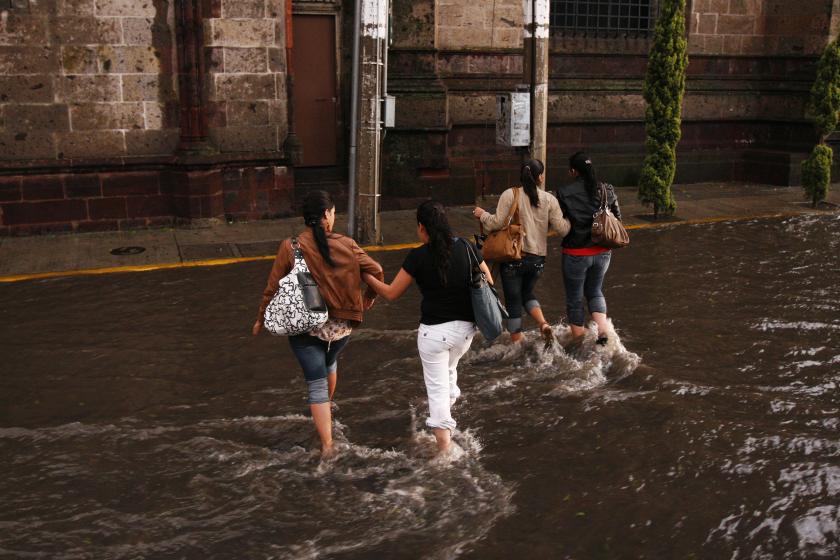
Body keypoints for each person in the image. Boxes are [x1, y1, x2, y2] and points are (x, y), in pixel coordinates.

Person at [252, 190, 384, 458]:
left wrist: (260, 319)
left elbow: (272, 287)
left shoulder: (290, 246)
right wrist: (368, 299)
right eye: (334, 212)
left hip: (305, 326)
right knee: (330, 363)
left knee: (316, 384)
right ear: (326, 215)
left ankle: (326, 445)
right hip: (341, 329)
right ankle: (326, 407)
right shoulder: (347, 244)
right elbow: (376, 270)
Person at [362, 201, 493, 455]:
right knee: (449, 370)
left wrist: (366, 277)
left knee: (436, 389)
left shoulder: (418, 257)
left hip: (434, 334)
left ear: (422, 227)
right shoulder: (466, 247)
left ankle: (445, 448)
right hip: (465, 333)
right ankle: (448, 405)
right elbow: (488, 280)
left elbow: (391, 293)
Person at [472, 159, 570, 346]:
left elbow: (496, 223)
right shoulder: (550, 200)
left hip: (513, 258)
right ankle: (543, 324)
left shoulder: (510, 194)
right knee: (527, 293)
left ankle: (517, 343)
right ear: (540, 177)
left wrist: (482, 214)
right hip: (538, 260)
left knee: (514, 301)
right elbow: (563, 229)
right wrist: (573, 218)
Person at [555, 151, 621, 347]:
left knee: (575, 298)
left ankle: (579, 340)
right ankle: (602, 331)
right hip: (602, 253)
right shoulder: (607, 189)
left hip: (576, 253)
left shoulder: (564, 193)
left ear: (573, 171)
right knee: (595, 291)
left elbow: (560, 224)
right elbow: (617, 217)